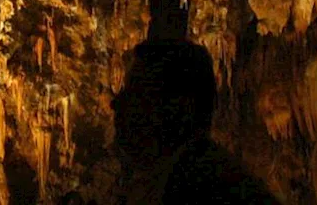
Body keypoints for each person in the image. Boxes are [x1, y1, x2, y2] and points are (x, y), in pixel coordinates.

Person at [111, 39, 275, 204]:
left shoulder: (208, 189)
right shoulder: (170, 180)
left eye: (136, 93)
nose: (116, 103)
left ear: (178, 107)